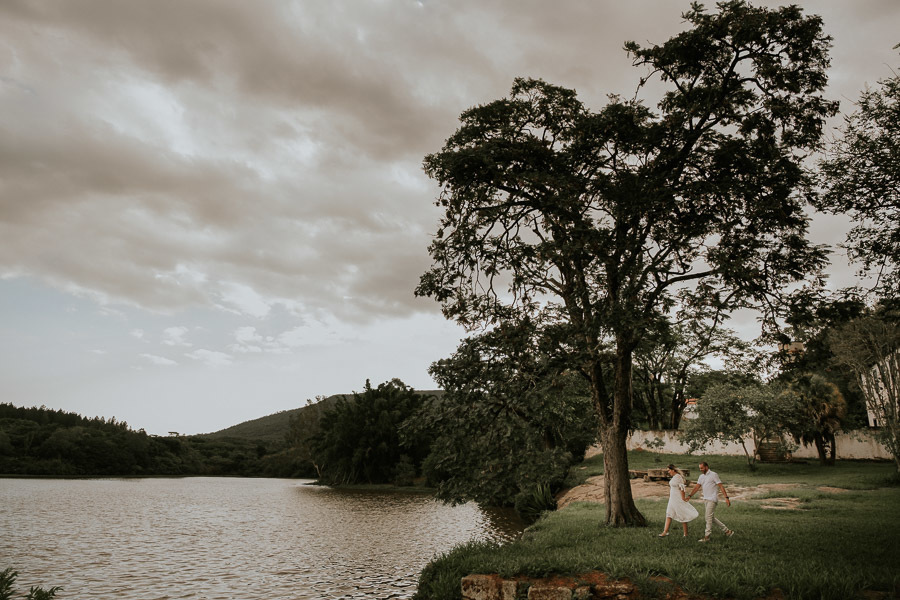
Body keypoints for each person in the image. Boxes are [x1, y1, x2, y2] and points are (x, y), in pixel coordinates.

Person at [687, 461, 735, 542]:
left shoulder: (714, 475)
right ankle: (728, 531)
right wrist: (689, 496)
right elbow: (696, 487)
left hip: (712, 499)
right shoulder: (701, 476)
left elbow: (721, 486)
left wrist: (726, 497)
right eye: (700, 468)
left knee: (708, 517)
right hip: (706, 499)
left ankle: (707, 537)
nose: (701, 469)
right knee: (711, 518)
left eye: (702, 468)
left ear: (706, 467)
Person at [658, 464, 699, 537]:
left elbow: (682, 488)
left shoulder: (678, 477)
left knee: (682, 515)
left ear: (673, 470)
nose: (668, 472)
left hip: (677, 499)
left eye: (669, 470)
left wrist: (683, 498)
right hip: (672, 499)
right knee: (669, 513)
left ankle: (685, 534)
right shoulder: (674, 477)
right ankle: (665, 531)